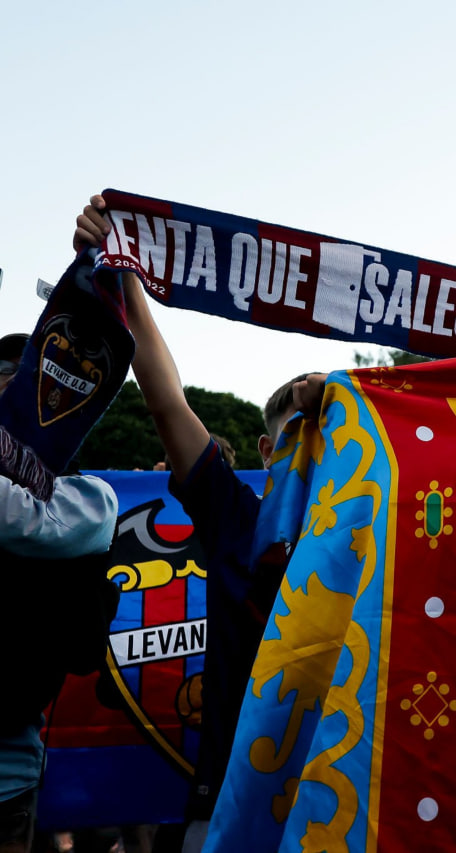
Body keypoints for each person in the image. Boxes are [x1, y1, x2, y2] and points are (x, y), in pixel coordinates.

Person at [74, 197, 323, 853]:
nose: (318, 453)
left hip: (352, 806)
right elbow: (166, 401)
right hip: (231, 809)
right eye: (302, 434)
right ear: (266, 453)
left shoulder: (397, 526)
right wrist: (126, 275)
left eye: (334, 436)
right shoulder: (238, 517)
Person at [0, 332, 119, 853]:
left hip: (7, 775)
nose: (23, 391)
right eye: (11, 376)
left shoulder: (89, 499)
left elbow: (24, 519)